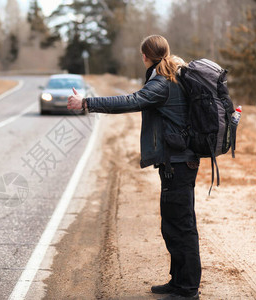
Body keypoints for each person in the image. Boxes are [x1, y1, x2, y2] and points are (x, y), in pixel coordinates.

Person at [67, 35, 201, 300]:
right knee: (173, 225)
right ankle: (178, 282)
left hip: (179, 163)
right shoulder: (171, 75)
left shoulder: (163, 82)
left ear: (145, 56)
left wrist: (86, 103)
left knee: (181, 226)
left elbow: (131, 101)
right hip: (175, 162)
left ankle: (187, 290)